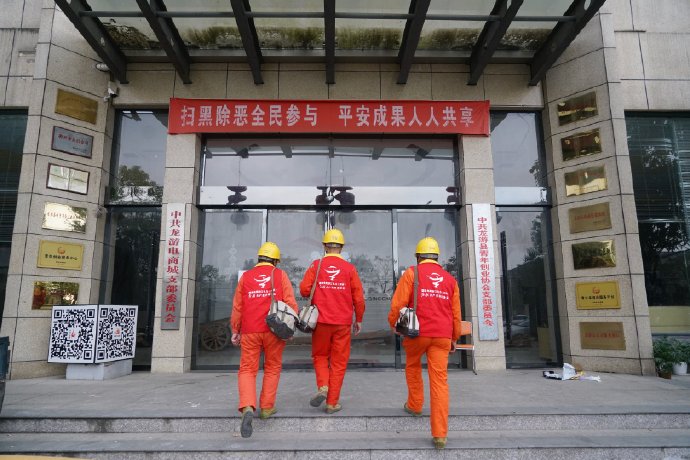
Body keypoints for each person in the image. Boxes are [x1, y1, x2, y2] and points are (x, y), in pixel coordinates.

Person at [388, 237, 461, 449]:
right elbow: (456, 314)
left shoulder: (412, 273)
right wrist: (454, 337)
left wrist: (394, 323)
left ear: (418, 256)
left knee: (412, 366)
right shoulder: (450, 280)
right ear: (437, 257)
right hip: (442, 336)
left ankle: (415, 405)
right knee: (440, 382)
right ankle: (440, 435)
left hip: (416, 333)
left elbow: (398, 304)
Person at [230, 241, 298, 438]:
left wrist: (235, 330)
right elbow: (290, 304)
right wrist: (290, 328)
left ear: (259, 258)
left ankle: (247, 406)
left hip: (250, 330)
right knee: (272, 367)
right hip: (274, 330)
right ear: (275, 260)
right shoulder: (280, 275)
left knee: (247, 369)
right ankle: (267, 407)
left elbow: (238, 306)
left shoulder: (246, 277)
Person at [299, 228, 365, 414]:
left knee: (320, 356)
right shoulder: (349, 268)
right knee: (338, 362)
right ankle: (332, 403)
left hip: (320, 321)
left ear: (325, 246)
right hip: (342, 323)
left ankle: (323, 386)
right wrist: (358, 319)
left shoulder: (316, 265)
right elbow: (359, 298)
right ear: (341, 247)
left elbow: (304, 290)